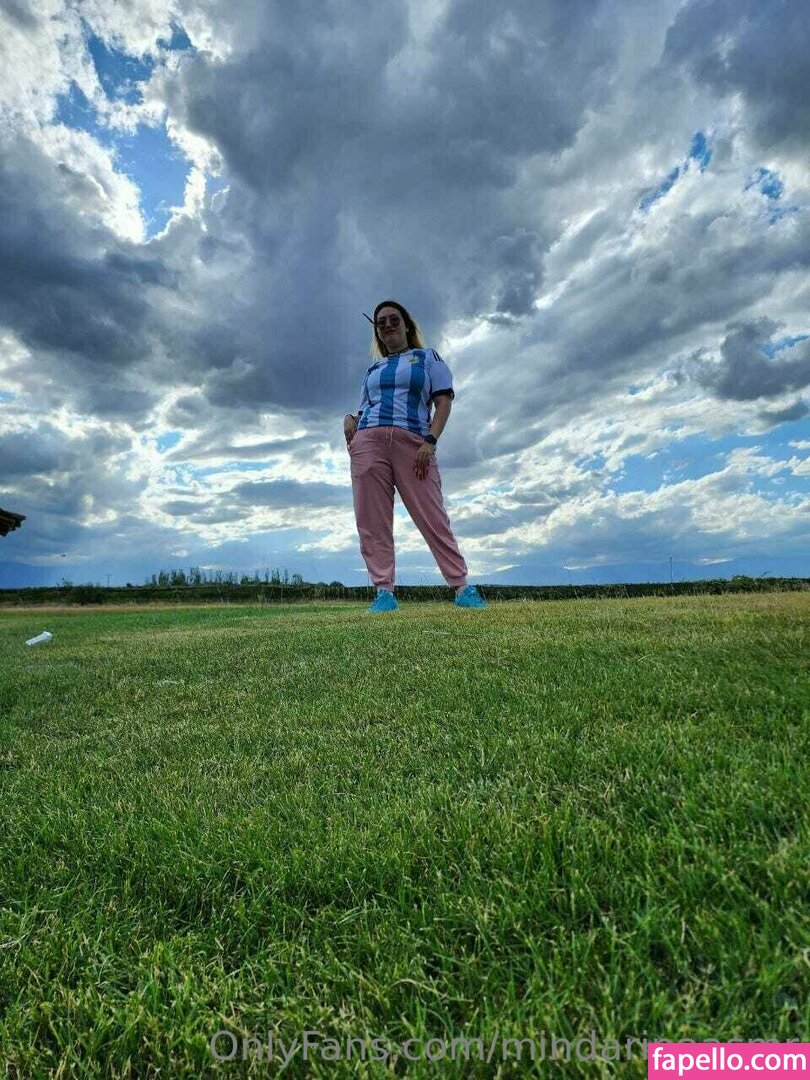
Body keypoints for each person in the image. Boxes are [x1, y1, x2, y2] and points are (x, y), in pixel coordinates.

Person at [343, 299, 487, 613]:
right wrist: (351, 419)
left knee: (432, 515)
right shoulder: (373, 368)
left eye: (393, 319)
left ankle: (462, 587)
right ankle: (384, 592)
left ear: (407, 325)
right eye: (381, 323)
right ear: (377, 332)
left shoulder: (427, 358)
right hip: (368, 443)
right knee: (372, 520)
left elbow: (443, 402)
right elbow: (363, 407)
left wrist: (430, 441)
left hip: (414, 443)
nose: (387, 325)